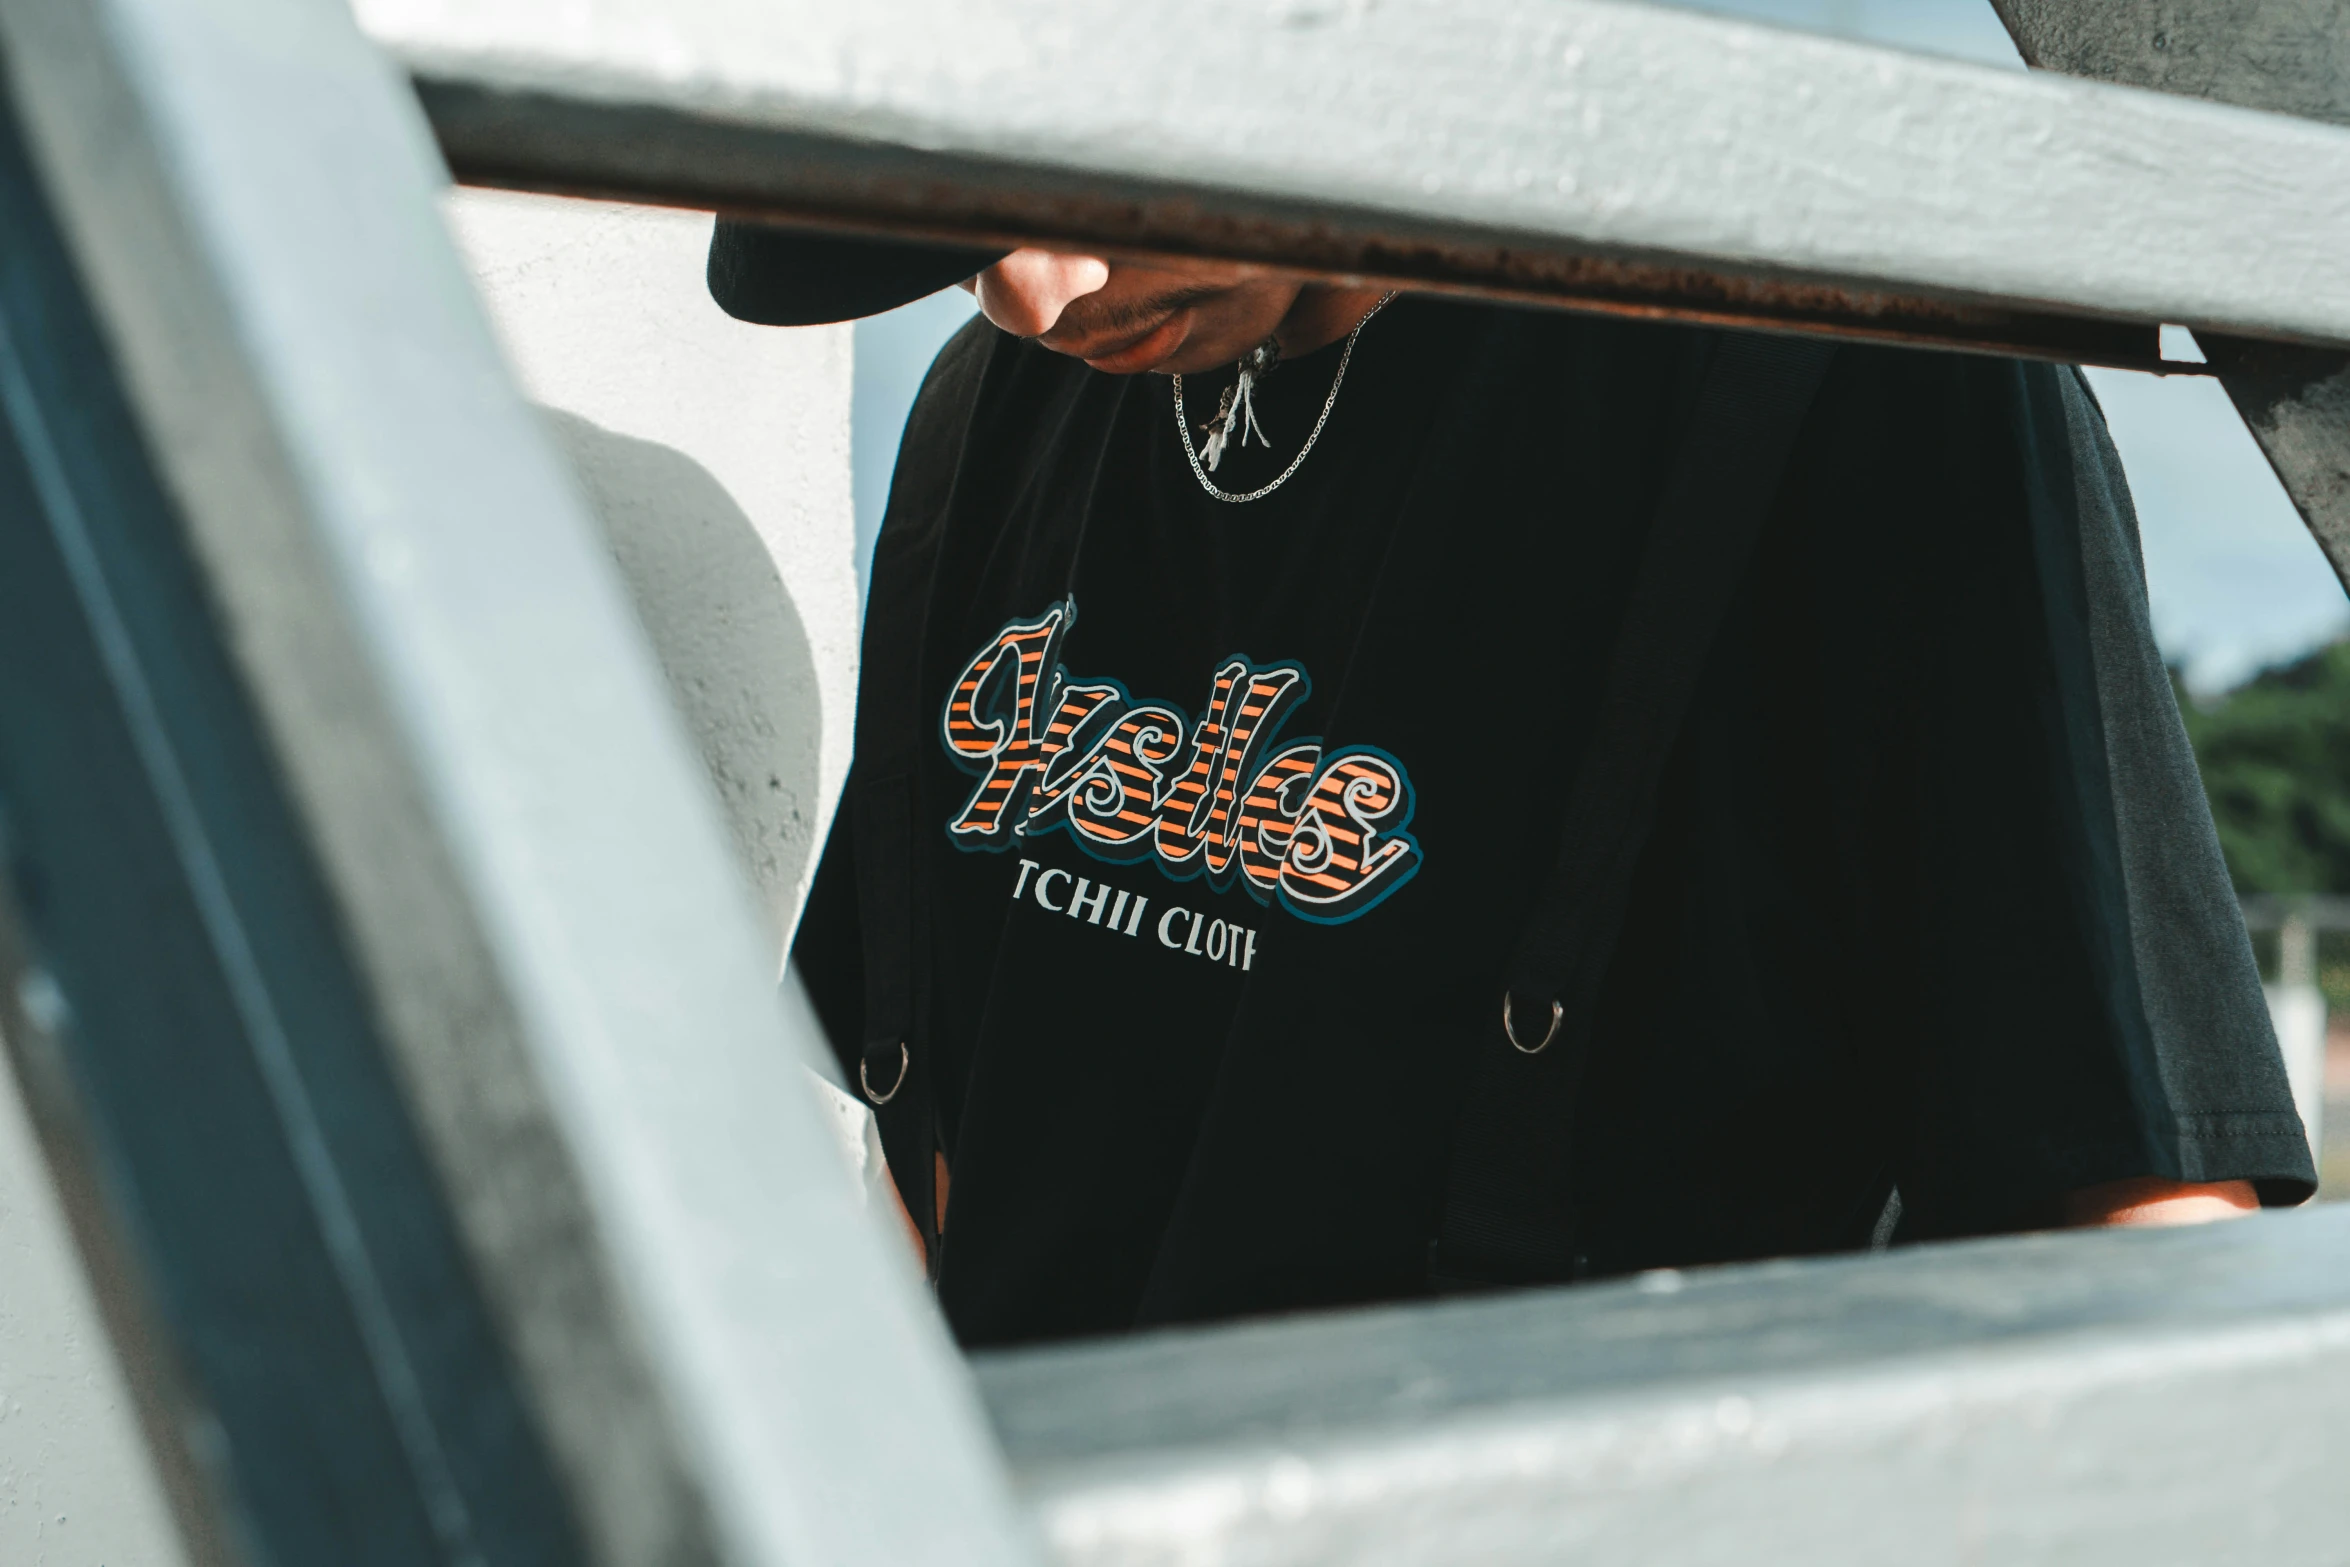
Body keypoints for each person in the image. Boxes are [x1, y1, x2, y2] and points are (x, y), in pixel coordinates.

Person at [711, 223, 2315, 1350]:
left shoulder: (1860, 382)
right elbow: (907, 1134)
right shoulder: (996, 409)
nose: (1029, 290)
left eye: (1054, 173)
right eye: (943, 209)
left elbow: (2141, 1236)